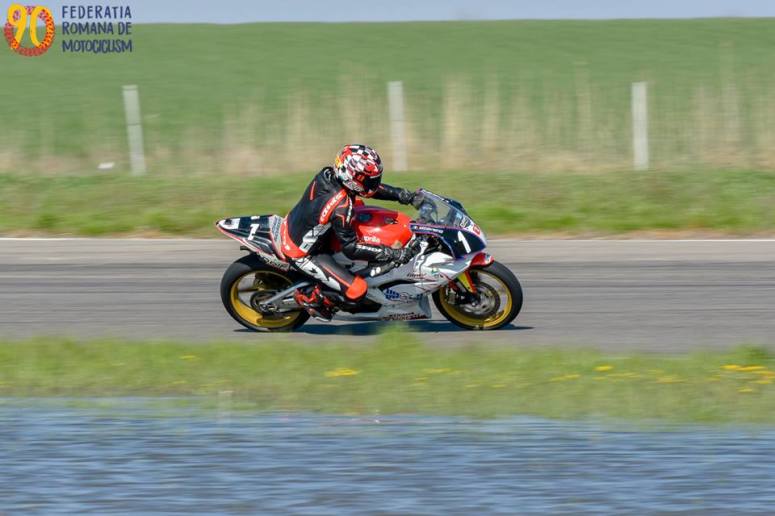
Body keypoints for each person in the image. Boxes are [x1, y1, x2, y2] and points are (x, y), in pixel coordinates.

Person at [280, 144, 418, 320]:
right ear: (352, 177)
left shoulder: (329, 173)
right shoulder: (341, 207)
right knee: (357, 290)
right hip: (305, 252)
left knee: (360, 208)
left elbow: (368, 190)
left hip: (303, 225)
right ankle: (312, 297)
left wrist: (403, 195)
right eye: (369, 180)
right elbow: (351, 249)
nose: (374, 184)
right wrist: (393, 254)